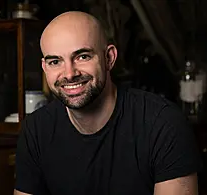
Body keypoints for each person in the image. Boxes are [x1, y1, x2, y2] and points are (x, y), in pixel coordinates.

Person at [14, 11, 202, 195]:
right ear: (44, 67)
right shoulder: (36, 129)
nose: (69, 74)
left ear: (109, 58)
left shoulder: (163, 123)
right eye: (55, 61)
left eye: (83, 56)